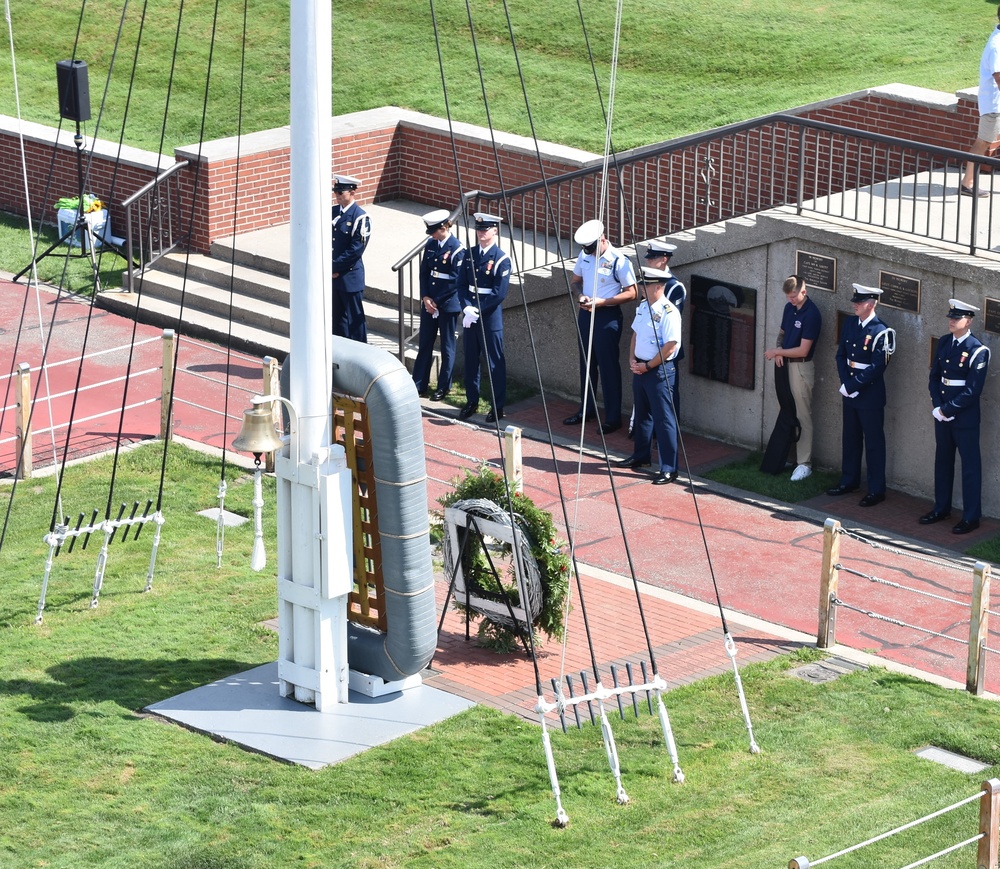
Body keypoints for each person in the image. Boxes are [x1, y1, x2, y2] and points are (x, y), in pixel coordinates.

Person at [919, 299, 991, 534]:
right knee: (943, 462)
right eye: (950, 317)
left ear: (968, 321)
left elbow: (972, 390)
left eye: (956, 318)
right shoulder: (945, 342)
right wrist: (938, 407)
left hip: (964, 418)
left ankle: (971, 517)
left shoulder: (978, 350)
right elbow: (935, 377)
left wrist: (946, 410)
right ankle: (941, 508)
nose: (951, 320)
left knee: (970, 467)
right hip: (942, 415)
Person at [563, 219, 637, 434]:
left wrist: (602, 302)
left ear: (603, 239)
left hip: (607, 316)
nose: (591, 252)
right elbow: (575, 281)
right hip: (586, 313)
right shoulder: (585, 255)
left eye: (593, 247)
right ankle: (586, 410)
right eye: (587, 249)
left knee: (608, 367)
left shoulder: (619, 261)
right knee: (586, 364)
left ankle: (613, 418)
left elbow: (632, 292)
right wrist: (580, 295)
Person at [826, 284, 895, 507]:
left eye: (860, 302)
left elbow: (878, 367)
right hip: (850, 391)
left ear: (871, 304)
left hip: (869, 394)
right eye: (855, 301)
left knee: (874, 443)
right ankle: (849, 480)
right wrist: (846, 383)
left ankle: (876, 490)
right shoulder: (850, 323)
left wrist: (854, 384)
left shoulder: (882, 332)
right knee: (851, 438)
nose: (855, 305)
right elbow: (841, 356)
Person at [615, 267, 681, 485]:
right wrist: (632, 359)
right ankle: (641, 457)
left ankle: (669, 468)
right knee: (642, 414)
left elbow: (670, 346)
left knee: (664, 419)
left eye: (646, 285)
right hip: (641, 369)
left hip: (659, 371)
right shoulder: (643, 307)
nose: (641, 288)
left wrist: (649, 365)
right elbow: (636, 334)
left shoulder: (669, 312)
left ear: (658, 287)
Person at [762, 275, 822, 481]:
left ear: (803, 292)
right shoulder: (789, 308)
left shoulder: (812, 314)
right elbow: (782, 333)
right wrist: (779, 349)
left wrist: (777, 352)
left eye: (794, 296)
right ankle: (787, 454)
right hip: (785, 365)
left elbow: (804, 350)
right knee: (787, 410)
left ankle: (804, 463)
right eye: (788, 297)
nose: (791, 300)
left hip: (801, 368)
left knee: (803, 415)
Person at [458, 212, 511, 423]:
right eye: (479, 229)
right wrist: (466, 308)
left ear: (495, 231)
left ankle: (498, 407)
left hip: (488, 318)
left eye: (485, 229)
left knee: (495, 363)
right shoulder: (470, 254)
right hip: (471, 315)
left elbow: (499, 293)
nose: (481, 233)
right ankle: (472, 401)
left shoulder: (501, 259)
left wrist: (477, 311)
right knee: (471, 360)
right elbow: (461, 285)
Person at [412, 209, 465, 401]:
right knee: (425, 342)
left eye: (434, 231)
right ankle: (419, 383)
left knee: (447, 346)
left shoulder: (457, 249)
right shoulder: (431, 244)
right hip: (430, 301)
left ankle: (444, 386)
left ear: (443, 228)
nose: (432, 235)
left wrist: (436, 301)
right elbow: (424, 272)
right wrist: (425, 297)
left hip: (447, 303)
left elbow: (454, 280)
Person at [961, 5, 1000, 197]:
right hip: (994, 104)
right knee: (983, 141)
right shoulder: (997, 45)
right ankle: (967, 183)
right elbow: (999, 77)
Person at [331, 174, 372, 342]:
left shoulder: (361, 217)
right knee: (337, 319)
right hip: (333, 277)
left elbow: (355, 250)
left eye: (342, 192)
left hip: (349, 276)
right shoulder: (332, 212)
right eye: (336, 192)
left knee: (355, 320)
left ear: (353, 192)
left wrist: (332, 268)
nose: (338, 196)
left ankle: (361, 352)